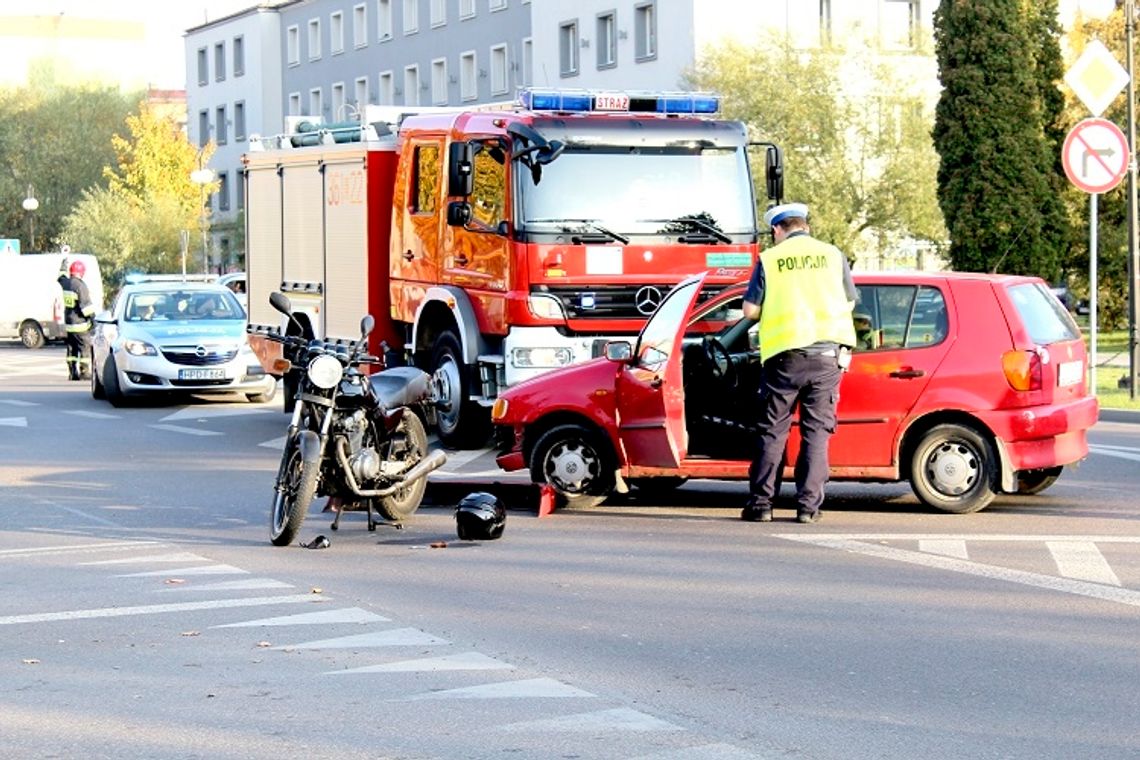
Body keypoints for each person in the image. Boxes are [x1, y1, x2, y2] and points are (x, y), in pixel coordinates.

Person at [741, 203, 856, 524]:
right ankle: (808, 508)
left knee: (772, 432)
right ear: (805, 225)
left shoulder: (770, 259)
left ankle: (762, 506)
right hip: (826, 357)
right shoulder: (833, 255)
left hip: (784, 358)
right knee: (816, 433)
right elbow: (848, 300)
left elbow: (750, 310)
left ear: (778, 229)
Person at [58, 258, 97, 381]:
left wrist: (63, 264)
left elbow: (60, 276)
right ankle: (84, 372)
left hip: (69, 324)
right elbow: (86, 307)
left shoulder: (65, 283)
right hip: (80, 324)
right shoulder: (80, 286)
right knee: (84, 347)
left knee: (72, 348)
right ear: (82, 272)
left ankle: (72, 372)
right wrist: (93, 320)